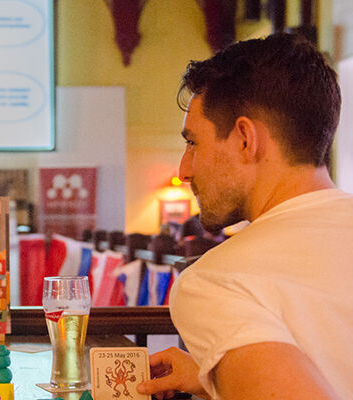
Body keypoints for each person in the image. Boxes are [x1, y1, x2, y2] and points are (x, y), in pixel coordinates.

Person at [136, 33, 352, 399]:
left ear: (245, 139)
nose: (184, 170)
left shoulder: (217, 282)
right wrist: (219, 377)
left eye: (193, 143)